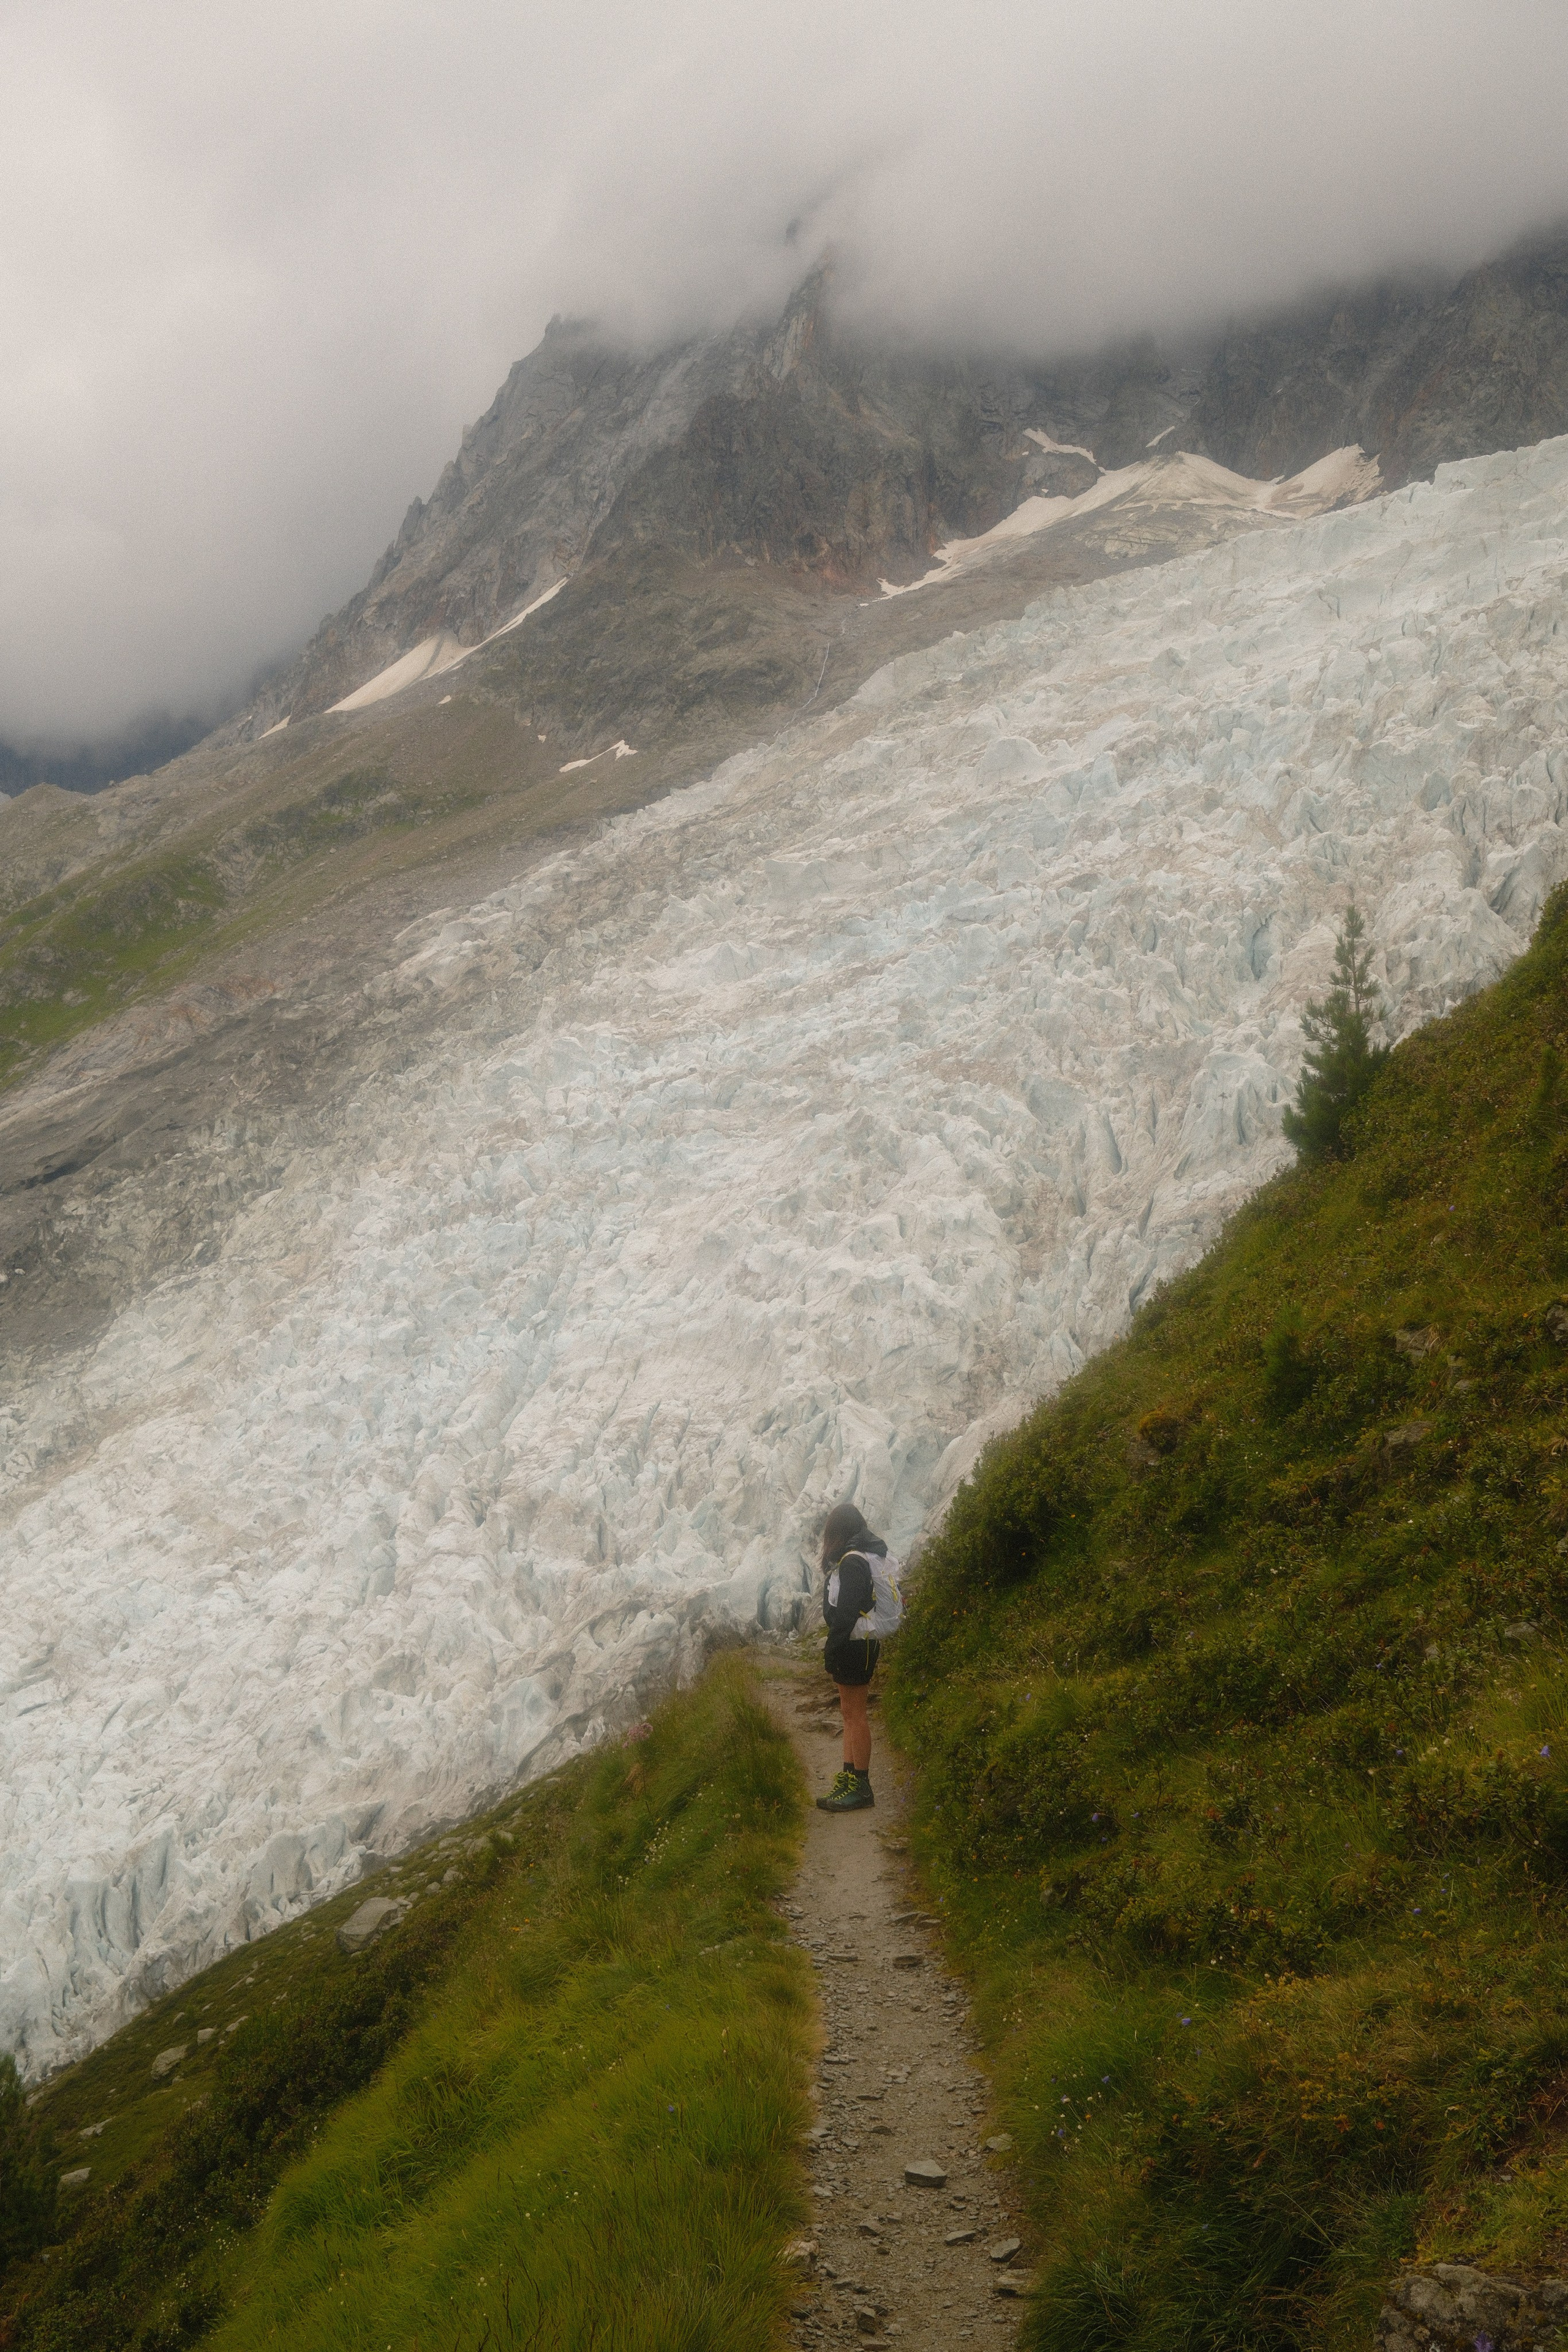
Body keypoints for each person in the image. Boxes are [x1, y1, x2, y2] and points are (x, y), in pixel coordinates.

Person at [816, 1501, 900, 1814]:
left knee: (855, 1715)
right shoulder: (861, 1556)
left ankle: (861, 1787)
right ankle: (849, 1778)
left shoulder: (853, 1562)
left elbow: (847, 1613)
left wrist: (831, 1649)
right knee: (849, 1714)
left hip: (855, 1644)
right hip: (858, 1643)